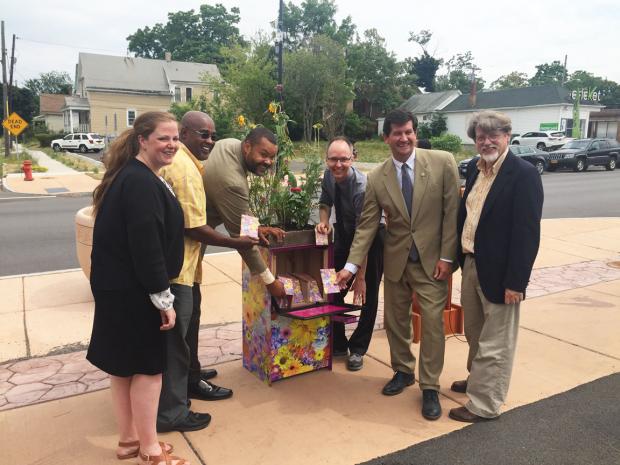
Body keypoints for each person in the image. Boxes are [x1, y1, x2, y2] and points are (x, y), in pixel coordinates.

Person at [336, 109, 460, 420]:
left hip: (433, 263)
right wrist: (351, 268)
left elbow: (451, 214)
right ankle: (403, 370)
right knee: (395, 322)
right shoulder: (377, 177)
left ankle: (430, 386)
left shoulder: (442, 162)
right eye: (396, 133)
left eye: (408, 132)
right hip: (395, 262)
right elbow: (366, 226)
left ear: (415, 133)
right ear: (386, 137)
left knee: (432, 324)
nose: (403, 138)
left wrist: (448, 257)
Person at [87, 111, 189, 465]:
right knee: (148, 370)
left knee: (122, 367)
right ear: (142, 140)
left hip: (117, 288)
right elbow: (146, 246)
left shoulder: (132, 175)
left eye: (175, 138)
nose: (172, 144)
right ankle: (150, 450)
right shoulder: (142, 182)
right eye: (163, 138)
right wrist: (164, 298)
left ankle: (129, 440)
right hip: (136, 291)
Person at [157, 112, 259, 433]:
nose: (209, 141)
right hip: (178, 271)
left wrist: (256, 227)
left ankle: (192, 376)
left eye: (212, 135)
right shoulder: (185, 170)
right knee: (176, 342)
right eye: (203, 135)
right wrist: (238, 241)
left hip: (189, 268)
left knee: (188, 330)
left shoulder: (200, 163)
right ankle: (173, 411)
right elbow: (196, 227)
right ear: (185, 133)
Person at [448, 111, 543, 423]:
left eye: (493, 135)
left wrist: (517, 282)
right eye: (480, 136)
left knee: (495, 343)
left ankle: (484, 404)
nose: (486, 141)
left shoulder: (524, 174)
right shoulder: (477, 171)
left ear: (507, 136)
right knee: (476, 335)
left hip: (503, 275)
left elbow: (527, 233)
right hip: (473, 264)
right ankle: (478, 382)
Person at [316, 136, 384, 371]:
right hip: (345, 233)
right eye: (333, 159)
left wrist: (361, 277)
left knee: (366, 295)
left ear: (353, 158)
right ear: (327, 159)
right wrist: (324, 222)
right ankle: (338, 340)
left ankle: (358, 348)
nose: (338, 165)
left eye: (344, 159)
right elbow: (325, 201)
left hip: (372, 238)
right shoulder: (329, 175)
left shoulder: (361, 187)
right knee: (332, 285)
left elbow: (364, 235)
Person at [203, 127, 287, 297]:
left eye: (272, 157)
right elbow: (243, 240)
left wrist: (257, 227)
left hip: (189, 231)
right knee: (187, 305)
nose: (268, 162)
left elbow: (238, 208)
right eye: (263, 154)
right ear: (247, 146)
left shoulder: (230, 144)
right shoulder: (232, 182)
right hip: (185, 243)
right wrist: (271, 282)